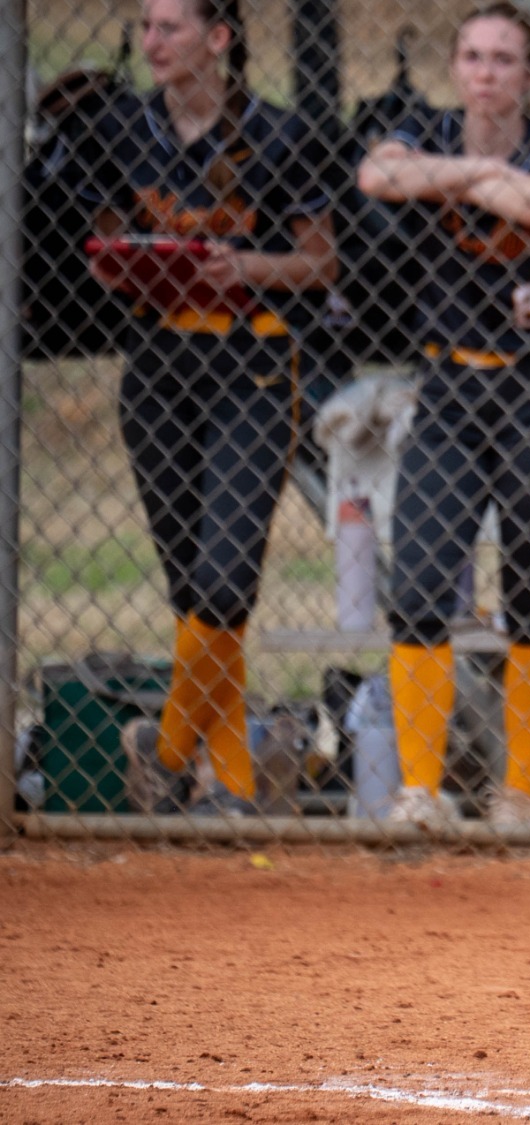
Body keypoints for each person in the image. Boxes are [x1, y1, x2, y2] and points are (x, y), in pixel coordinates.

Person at [67, 0, 335, 815]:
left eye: (171, 27)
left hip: (249, 360)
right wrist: (131, 265)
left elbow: (319, 264)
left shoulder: (280, 134)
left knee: (223, 585)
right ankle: (241, 790)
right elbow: (103, 247)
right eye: (146, 27)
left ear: (217, 39)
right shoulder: (121, 128)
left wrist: (242, 266)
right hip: (158, 365)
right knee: (193, 594)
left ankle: (169, 751)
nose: (152, 43)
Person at [355, 2, 530, 825]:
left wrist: (445, 175)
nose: (486, 72)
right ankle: (421, 792)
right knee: (418, 583)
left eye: (503, 59)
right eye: (473, 57)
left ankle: (517, 795)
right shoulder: (416, 124)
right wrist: (480, 178)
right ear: (455, 68)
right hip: (449, 391)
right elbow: (379, 175)